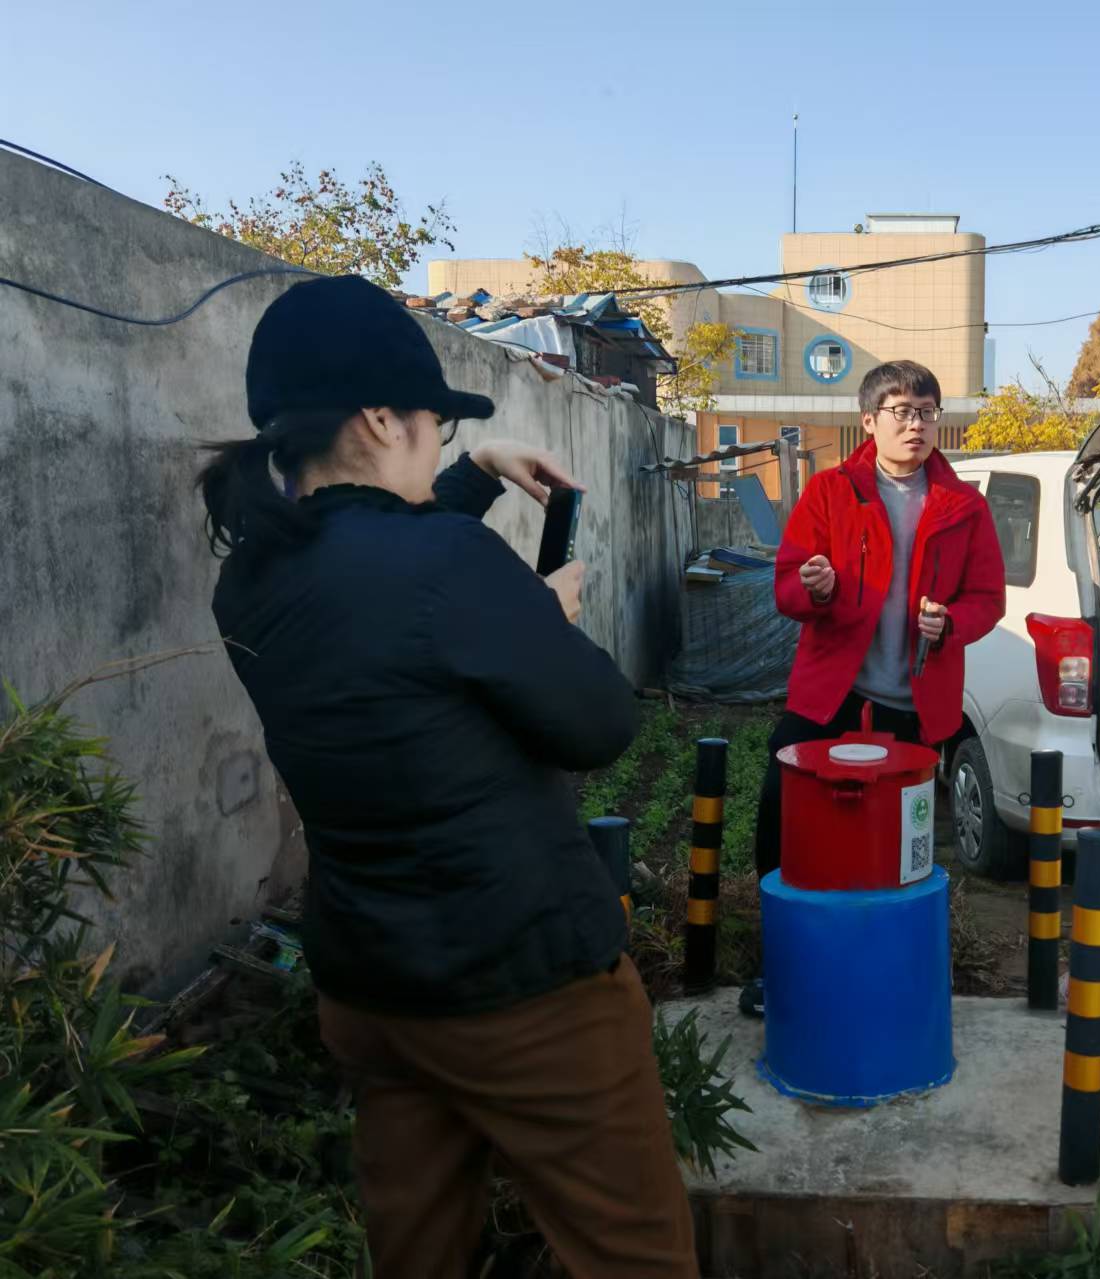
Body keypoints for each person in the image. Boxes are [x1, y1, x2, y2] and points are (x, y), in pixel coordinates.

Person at [200, 275, 696, 1279]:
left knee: (418, 1252)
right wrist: (542, 617)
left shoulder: (249, 578)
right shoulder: (451, 566)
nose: (439, 442)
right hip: (524, 985)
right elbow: (598, 722)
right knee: (636, 1254)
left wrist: (473, 473)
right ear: (382, 419)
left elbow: (373, 577)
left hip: (374, 989)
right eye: (438, 425)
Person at [743, 360, 1006, 1015]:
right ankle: (781, 964)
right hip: (830, 697)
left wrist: (951, 622)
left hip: (912, 707)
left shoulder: (964, 507)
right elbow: (786, 588)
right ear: (868, 420)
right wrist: (816, 587)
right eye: (901, 411)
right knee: (783, 817)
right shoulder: (832, 492)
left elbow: (988, 598)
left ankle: (886, 980)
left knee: (899, 847)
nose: (916, 423)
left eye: (927, 411)